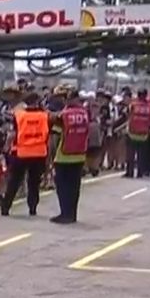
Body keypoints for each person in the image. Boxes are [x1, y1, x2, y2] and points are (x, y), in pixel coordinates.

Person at [50, 92, 91, 225]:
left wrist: (52, 155)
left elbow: (55, 136)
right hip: (79, 155)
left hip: (64, 156)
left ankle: (65, 214)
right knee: (75, 187)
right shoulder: (85, 114)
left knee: (63, 187)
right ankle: (72, 214)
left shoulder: (64, 115)